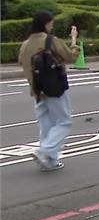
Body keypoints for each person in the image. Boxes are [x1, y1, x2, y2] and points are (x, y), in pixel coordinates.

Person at [17, 11, 77, 172]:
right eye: (51, 23)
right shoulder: (51, 41)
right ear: (45, 24)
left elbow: (22, 63)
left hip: (37, 91)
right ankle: (44, 151)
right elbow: (70, 57)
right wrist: (73, 40)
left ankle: (50, 161)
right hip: (55, 88)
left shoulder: (25, 44)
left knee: (46, 125)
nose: (52, 26)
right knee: (64, 122)